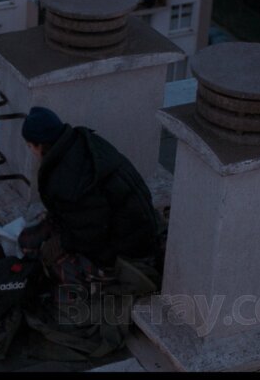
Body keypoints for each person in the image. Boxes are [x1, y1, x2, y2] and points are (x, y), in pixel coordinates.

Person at [17, 106, 162, 284]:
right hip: (137, 228)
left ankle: (115, 284)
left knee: (52, 262)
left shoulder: (65, 180)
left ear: (40, 145)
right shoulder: (82, 141)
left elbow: (90, 235)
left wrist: (59, 244)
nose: (31, 151)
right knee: (33, 239)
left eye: (30, 146)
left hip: (130, 251)